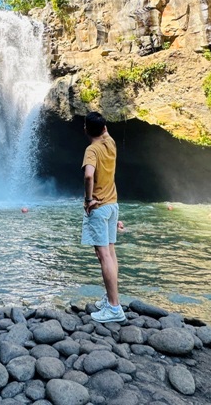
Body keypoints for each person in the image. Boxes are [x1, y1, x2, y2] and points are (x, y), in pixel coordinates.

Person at [81, 111, 125, 323]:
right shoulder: (111, 143)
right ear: (105, 129)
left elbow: (89, 174)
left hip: (98, 207)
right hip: (113, 204)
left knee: (103, 256)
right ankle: (111, 299)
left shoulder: (92, 149)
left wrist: (89, 199)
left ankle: (114, 308)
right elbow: (103, 131)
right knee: (111, 252)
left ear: (86, 130)